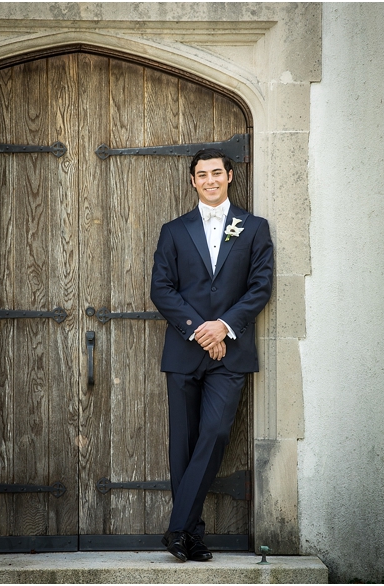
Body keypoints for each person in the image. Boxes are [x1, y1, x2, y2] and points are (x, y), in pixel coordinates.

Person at [150, 148, 274, 562]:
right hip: (184, 352)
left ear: (230, 176)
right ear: (192, 181)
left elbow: (260, 287)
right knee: (182, 446)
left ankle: (177, 528)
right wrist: (201, 331)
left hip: (230, 353)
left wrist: (223, 327)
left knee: (216, 433)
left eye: (216, 173)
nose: (210, 180)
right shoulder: (173, 230)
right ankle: (193, 536)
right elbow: (161, 289)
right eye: (201, 175)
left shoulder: (254, 228)